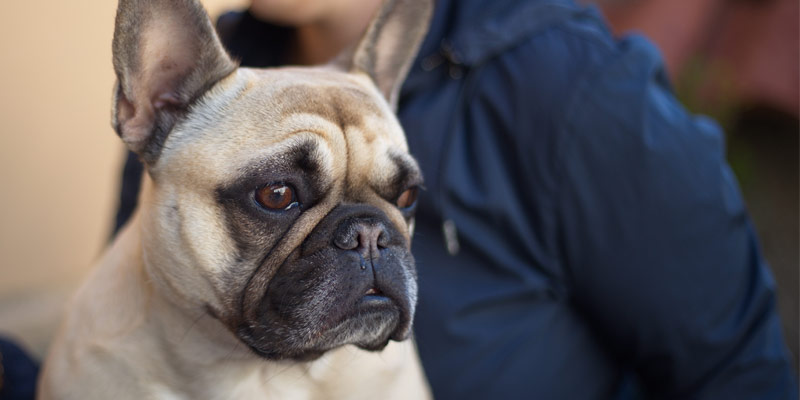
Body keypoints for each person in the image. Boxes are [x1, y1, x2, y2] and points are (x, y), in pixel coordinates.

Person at [114, 0, 798, 398]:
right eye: (275, 195)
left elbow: (740, 374)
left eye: (400, 199)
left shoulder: (575, 92)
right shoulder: (210, 85)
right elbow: (131, 311)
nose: (369, 242)